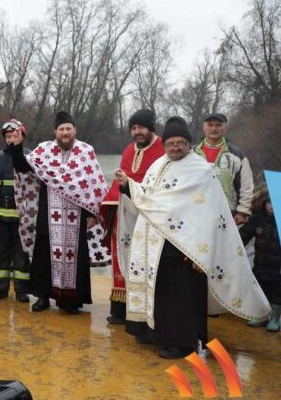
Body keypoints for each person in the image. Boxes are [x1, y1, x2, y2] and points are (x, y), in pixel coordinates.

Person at [116, 116, 270, 358]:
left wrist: (203, 253)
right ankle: (154, 333)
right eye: (171, 144)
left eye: (180, 143)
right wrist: (128, 186)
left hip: (185, 244)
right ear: (164, 145)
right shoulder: (158, 164)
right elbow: (148, 196)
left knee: (181, 294)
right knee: (160, 291)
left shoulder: (200, 169)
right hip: (156, 241)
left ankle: (182, 343)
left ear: (189, 143)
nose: (175, 148)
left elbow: (208, 212)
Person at [10, 111, 107, 313]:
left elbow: (95, 184)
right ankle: (42, 297)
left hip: (77, 213)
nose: (65, 133)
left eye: (68, 129)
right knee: (44, 252)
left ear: (74, 130)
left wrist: (92, 213)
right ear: (55, 131)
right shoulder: (44, 150)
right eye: (61, 129)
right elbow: (22, 167)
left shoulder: (85, 151)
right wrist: (17, 146)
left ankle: (70, 300)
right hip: (49, 211)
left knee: (76, 255)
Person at [100, 109, 165, 325]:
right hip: (125, 212)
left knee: (145, 260)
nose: (137, 132)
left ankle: (142, 313)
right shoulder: (129, 149)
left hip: (149, 216)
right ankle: (120, 310)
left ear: (150, 128)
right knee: (122, 258)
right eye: (134, 128)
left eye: (141, 127)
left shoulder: (163, 149)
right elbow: (122, 178)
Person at [0, 119, 32, 302]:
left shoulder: (29, 157)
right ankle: (0, 289)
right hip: (0, 215)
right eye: (8, 136)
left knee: (21, 255)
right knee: (1, 254)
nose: (11, 139)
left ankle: (21, 291)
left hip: (22, 217)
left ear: (22, 136)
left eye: (15, 136)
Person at [194, 113, 254, 225]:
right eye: (210, 125)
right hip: (195, 211)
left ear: (225, 127)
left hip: (227, 214)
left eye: (218, 125)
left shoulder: (237, 155)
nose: (214, 128)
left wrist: (242, 211)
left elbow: (246, 185)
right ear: (204, 127)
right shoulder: (191, 153)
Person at [239, 191, 281, 331]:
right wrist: (236, 248)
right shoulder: (257, 219)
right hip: (261, 265)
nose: (272, 207)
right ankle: (261, 317)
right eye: (269, 203)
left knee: (277, 292)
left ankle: (275, 319)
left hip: (278, 268)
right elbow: (243, 236)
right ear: (264, 203)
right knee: (261, 290)